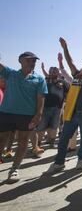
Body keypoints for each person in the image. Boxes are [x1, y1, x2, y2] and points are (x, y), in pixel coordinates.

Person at [46, 38, 82, 173]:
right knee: (63, 139)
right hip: (72, 113)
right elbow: (70, 62)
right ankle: (59, 162)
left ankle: (81, 159)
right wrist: (65, 48)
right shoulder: (77, 76)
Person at [0, 52, 47, 180]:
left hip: (27, 116)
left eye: (33, 61)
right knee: (1, 139)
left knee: (23, 141)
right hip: (6, 113)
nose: (32, 63)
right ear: (20, 61)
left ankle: (14, 169)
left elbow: (40, 98)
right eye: (28, 60)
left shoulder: (39, 78)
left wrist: (39, 114)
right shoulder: (11, 73)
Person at [36, 66, 70, 149]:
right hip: (44, 108)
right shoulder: (43, 81)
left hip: (58, 109)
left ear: (58, 73)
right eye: (51, 71)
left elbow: (68, 94)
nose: (53, 72)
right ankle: (38, 145)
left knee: (54, 127)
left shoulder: (63, 83)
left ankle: (52, 144)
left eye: (55, 71)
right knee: (41, 127)